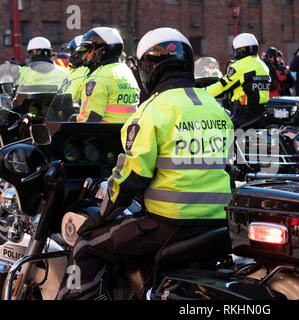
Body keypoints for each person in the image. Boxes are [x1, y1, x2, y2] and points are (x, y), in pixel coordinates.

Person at [56, 27, 233, 300]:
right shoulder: (217, 109)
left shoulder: (152, 111)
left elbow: (130, 180)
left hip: (170, 225)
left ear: (148, 68)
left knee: (86, 245)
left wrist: (99, 218)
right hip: (218, 225)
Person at [206, 32, 270, 129]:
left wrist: (201, 92)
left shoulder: (240, 66)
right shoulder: (263, 65)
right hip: (260, 113)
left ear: (239, 50)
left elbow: (222, 86)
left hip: (243, 114)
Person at [76, 27, 140, 123]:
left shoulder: (98, 77)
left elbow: (88, 120)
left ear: (101, 51)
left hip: (103, 135)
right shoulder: (126, 71)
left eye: (88, 50)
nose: (85, 55)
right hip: (127, 134)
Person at [64, 35, 89, 102]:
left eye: (72, 52)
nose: (70, 55)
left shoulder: (77, 73)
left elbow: (66, 98)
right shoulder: (94, 69)